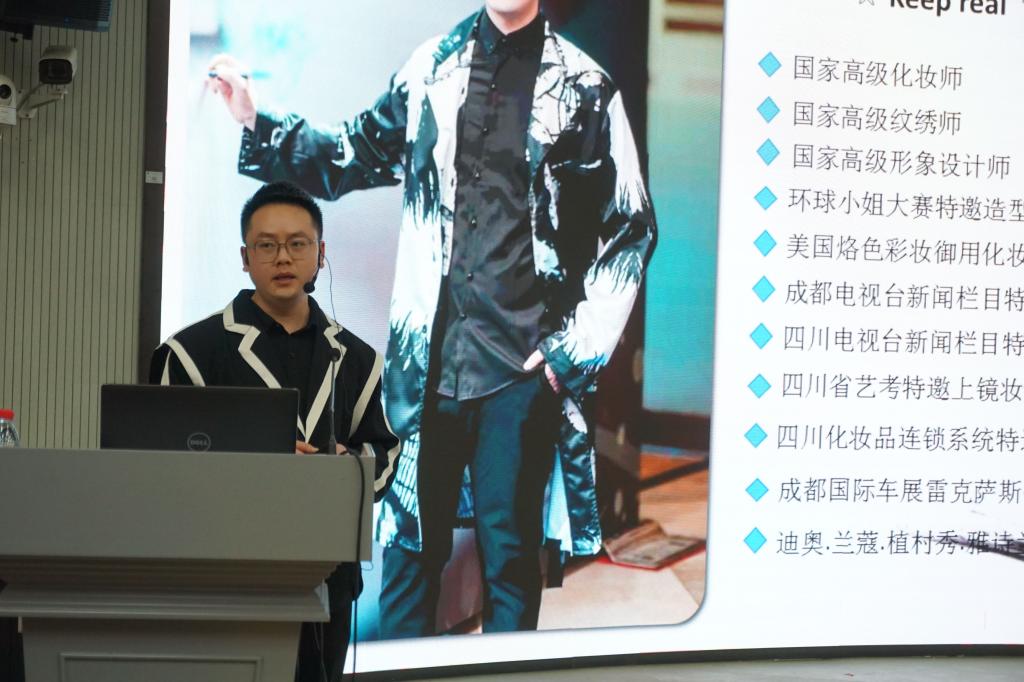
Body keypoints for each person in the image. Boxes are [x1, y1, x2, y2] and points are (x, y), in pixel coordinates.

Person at [208, 0, 656, 637]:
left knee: (511, 565)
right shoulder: (432, 68)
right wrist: (256, 118)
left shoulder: (584, 85)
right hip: (428, 371)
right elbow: (351, 153)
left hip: (520, 375)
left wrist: (568, 355)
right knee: (408, 559)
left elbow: (630, 227)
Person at [149, 181, 400, 681]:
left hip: (328, 578)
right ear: (245, 258)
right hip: (225, 577)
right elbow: (155, 464)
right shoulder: (191, 353)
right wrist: (262, 461)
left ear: (320, 254)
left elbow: (383, 451)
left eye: (297, 244)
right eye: (266, 245)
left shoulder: (356, 358)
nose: (282, 258)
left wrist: (342, 467)